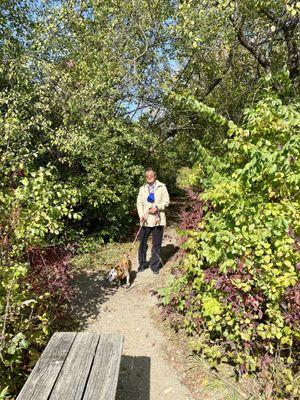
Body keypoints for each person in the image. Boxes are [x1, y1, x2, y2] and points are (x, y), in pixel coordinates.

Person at [136, 167, 170, 274]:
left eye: (151, 176)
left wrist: (158, 207)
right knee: (142, 244)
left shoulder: (162, 187)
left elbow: (167, 201)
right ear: (145, 177)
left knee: (157, 244)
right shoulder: (142, 189)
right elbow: (139, 203)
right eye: (147, 176)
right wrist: (141, 215)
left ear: (155, 176)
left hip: (157, 220)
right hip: (145, 220)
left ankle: (154, 265)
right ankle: (142, 264)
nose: (149, 178)